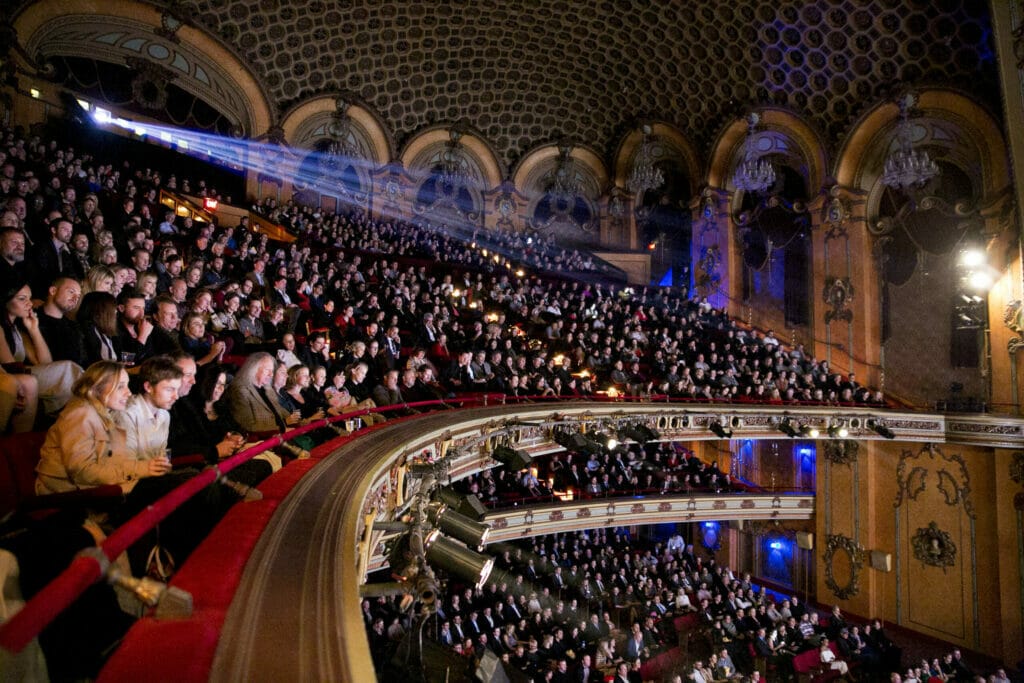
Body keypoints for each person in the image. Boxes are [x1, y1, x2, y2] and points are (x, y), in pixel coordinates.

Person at [35, 361, 168, 495]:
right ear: (97, 388)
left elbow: (115, 461)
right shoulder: (81, 415)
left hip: (93, 489)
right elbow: (82, 472)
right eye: (120, 387)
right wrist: (141, 469)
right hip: (68, 496)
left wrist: (145, 468)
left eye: (127, 385)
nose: (128, 393)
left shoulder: (106, 413)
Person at [0, 280, 82, 414]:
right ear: (5, 300)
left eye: (30, 298)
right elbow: (10, 367)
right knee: (68, 368)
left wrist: (34, 330)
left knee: (68, 370)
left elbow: (45, 364)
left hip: (23, 375)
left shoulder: (19, 328)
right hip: (11, 376)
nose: (30, 303)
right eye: (22, 299)